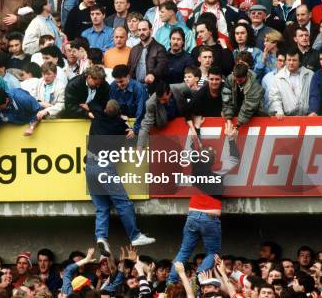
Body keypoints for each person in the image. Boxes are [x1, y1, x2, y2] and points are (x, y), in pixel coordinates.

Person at [166, 122, 240, 284]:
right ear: (213, 160)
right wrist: (231, 139)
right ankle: (200, 278)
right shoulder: (219, 170)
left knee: (184, 251)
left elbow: (192, 147)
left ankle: (170, 283)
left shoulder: (195, 168)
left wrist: (195, 130)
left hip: (192, 215)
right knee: (212, 253)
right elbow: (234, 160)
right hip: (209, 218)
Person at [85, 99, 155, 257]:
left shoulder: (97, 116)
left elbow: (90, 104)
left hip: (89, 166)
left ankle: (101, 237)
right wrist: (128, 125)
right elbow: (131, 135)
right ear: (119, 113)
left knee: (102, 207)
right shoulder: (119, 125)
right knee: (123, 203)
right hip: (104, 167)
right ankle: (135, 236)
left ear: (104, 109)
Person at [269, 48, 314, 118]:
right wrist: (279, 111)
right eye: (289, 60)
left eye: (294, 60)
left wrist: (313, 111)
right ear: (285, 61)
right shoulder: (278, 77)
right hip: (286, 118)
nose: (291, 63)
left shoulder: (310, 74)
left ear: (300, 62)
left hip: (307, 117)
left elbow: (315, 95)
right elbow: (275, 97)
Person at [222, 63, 266, 129]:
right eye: (235, 79)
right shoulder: (229, 79)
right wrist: (228, 119)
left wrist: (237, 127)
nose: (237, 82)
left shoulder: (255, 86)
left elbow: (248, 107)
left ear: (246, 76)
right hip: (236, 111)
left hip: (254, 115)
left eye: (240, 80)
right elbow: (226, 100)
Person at [127, 20, 167, 85]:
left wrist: (152, 74)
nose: (141, 32)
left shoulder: (160, 48)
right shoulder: (134, 49)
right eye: (139, 30)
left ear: (151, 30)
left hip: (153, 86)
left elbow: (161, 66)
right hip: (135, 86)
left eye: (144, 29)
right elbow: (129, 67)